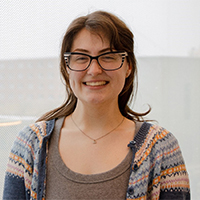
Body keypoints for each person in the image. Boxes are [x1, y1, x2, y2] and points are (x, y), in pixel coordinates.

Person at [3, 10, 190, 200]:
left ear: (128, 66)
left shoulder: (162, 148)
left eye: (108, 56)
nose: (94, 70)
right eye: (81, 57)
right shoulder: (30, 145)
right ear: (67, 68)